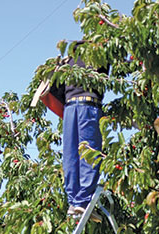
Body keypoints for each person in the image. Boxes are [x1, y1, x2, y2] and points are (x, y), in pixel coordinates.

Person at [62, 43, 108, 218]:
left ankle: (74, 201)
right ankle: (83, 200)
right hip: (88, 106)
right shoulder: (98, 58)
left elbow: (56, 89)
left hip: (69, 108)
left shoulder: (66, 65)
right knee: (89, 152)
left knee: (71, 154)